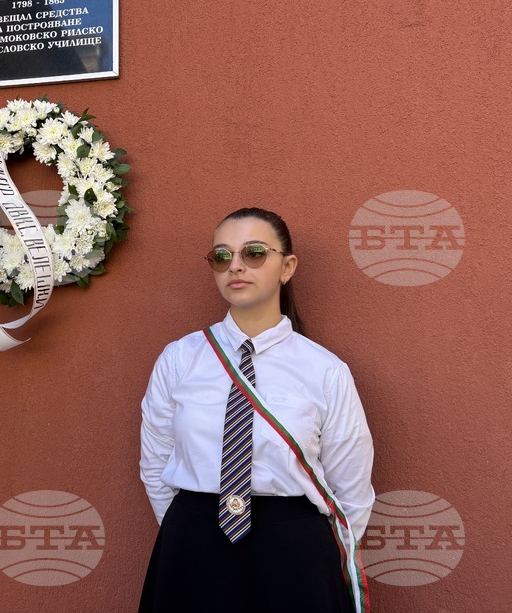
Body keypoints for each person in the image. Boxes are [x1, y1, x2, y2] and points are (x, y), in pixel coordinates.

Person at [139, 208, 374, 613]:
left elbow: (350, 486)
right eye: (221, 256)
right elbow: (156, 459)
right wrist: (189, 530)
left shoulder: (325, 370)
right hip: (193, 549)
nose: (235, 266)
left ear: (288, 267)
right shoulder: (180, 359)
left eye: (254, 253)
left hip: (294, 554)